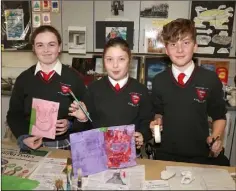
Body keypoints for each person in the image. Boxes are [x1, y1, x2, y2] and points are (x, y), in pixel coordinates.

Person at [149, 18, 229, 166]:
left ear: (195, 46)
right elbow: (158, 112)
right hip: (165, 155)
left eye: (185, 43)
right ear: (166, 50)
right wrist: (157, 122)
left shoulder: (210, 79)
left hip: (200, 155)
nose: (179, 50)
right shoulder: (159, 80)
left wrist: (216, 138)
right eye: (173, 44)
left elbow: (219, 116)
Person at [7, 25, 86, 150]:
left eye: (51, 44)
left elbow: (86, 114)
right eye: (40, 45)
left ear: (59, 47)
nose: (46, 50)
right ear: (34, 48)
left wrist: (70, 124)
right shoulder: (24, 79)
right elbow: (14, 115)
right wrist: (24, 137)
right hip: (31, 143)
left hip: (64, 144)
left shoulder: (74, 78)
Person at [69, 37, 153, 151]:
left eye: (121, 59)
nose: (115, 65)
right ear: (103, 61)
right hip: (99, 154)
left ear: (130, 60)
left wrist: (143, 135)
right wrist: (82, 119)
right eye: (109, 59)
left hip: (129, 154)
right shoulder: (93, 89)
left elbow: (147, 121)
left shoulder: (140, 90)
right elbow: (83, 130)